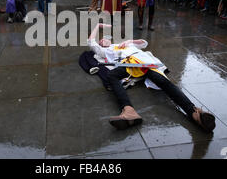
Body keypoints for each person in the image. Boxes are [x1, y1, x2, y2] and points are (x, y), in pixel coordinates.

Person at [87, 23, 216, 132]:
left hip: (145, 62)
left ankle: (195, 113)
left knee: (162, 81)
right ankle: (128, 111)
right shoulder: (106, 50)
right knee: (112, 75)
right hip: (127, 65)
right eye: (101, 41)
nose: (103, 40)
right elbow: (91, 42)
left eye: (105, 38)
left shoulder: (126, 44)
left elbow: (144, 43)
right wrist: (98, 25)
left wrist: (130, 41)